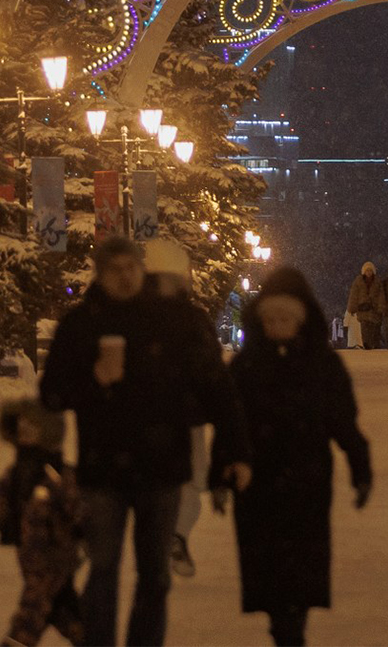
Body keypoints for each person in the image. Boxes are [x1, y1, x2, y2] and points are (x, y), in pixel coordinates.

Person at [43, 234, 252, 647]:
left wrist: (237, 450)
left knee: (155, 575)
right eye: (113, 270)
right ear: (99, 276)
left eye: (130, 268)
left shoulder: (172, 321)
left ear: (142, 269)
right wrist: (93, 380)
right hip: (103, 470)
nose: (124, 277)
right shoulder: (81, 324)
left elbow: (216, 389)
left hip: (161, 468)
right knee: (103, 571)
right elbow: (51, 393)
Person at [228, 267, 373, 646]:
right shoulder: (245, 367)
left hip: (307, 481)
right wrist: (220, 471)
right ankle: (284, 627)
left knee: (302, 566)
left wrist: (361, 468)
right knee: (269, 566)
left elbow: (344, 423)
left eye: (286, 319)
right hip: (258, 483)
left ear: (301, 320)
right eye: (271, 319)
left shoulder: (322, 366)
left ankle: (292, 626)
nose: (278, 326)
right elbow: (230, 424)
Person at [0, 396, 84, 647]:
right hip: (29, 558)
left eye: (32, 427)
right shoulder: (16, 473)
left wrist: (83, 531)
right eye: (22, 425)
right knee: (62, 612)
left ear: (47, 433)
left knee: (31, 615)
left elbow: (77, 506)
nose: (24, 430)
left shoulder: (57, 474)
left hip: (54, 559)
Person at [148, 239, 231, 583]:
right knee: (188, 483)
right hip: (176, 417)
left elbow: (214, 376)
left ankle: (171, 538)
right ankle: (173, 537)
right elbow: (214, 376)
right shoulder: (191, 320)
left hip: (169, 418)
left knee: (185, 483)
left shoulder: (139, 317)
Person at [345, 263, 382, 351]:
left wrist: (381, 307)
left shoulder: (377, 282)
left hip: (373, 308)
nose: (368, 272)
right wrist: (352, 308)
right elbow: (353, 295)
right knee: (365, 327)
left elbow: (381, 296)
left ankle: (371, 343)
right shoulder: (358, 281)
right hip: (362, 308)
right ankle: (366, 343)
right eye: (367, 271)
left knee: (372, 326)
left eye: (370, 271)